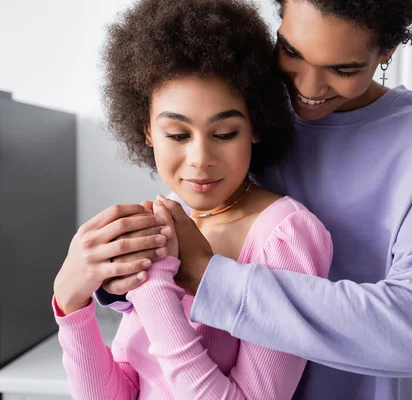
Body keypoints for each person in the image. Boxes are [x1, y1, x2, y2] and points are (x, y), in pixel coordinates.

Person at [99, 0, 412, 399]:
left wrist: (209, 278)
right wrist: (120, 279)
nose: (308, 89)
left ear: (386, 52)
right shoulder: (245, 107)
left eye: (342, 69)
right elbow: (196, 235)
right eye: (292, 52)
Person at [51, 0, 332, 398]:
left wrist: (154, 287)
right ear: (147, 130)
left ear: (255, 125)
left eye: (224, 133)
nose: (200, 159)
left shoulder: (284, 237)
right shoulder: (166, 215)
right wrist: (70, 302)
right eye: (178, 135)